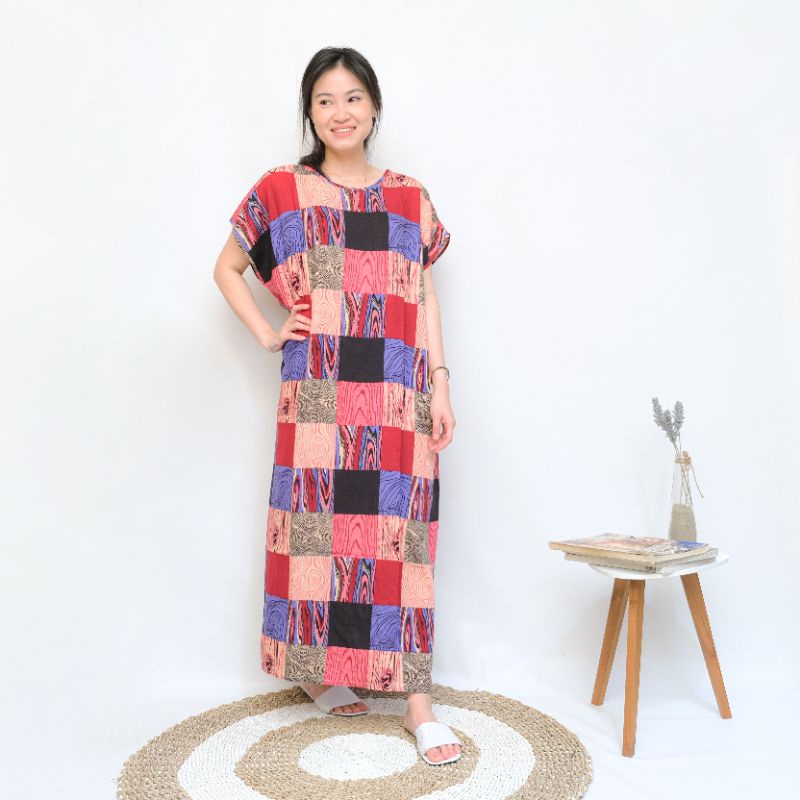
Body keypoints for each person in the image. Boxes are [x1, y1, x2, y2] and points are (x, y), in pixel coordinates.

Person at [213, 46, 460, 766]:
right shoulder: (282, 189)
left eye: (353, 97)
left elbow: (422, 293)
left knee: (402, 541)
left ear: (374, 108)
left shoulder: (410, 196)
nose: (340, 112)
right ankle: (317, 672)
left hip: (396, 395)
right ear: (310, 113)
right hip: (318, 392)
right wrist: (269, 333)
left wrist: (441, 382)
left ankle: (417, 704)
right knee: (315, 534)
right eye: (325, 100)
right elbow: (227, 267)